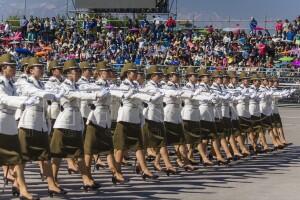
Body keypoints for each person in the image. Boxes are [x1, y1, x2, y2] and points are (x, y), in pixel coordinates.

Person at [50, 59, 102, 191]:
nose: (79, 72)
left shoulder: (76, 85)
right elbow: (76, 94)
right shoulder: (64, 86)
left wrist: (101, 89)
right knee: (57, 154)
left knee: (79, 154)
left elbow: (86, 88)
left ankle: (86, 180)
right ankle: (54, 181)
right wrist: (95, 95)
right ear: (68, 73)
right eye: (76, 70)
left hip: (75, 123)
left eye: (79, 70)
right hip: (64, 123)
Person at [17, 57, 66, 198]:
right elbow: (38, 93)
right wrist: (53, 95)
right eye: (38, 67)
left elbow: (46, 97)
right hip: (28, 124)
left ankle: (51, 185)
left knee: (45, 157)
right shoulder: (24, 82)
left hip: (41, 124)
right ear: (31, 70)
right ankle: (21, 187)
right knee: (22, 159)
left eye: (42, 67)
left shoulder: (41, 84)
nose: (42, 69)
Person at [0, 54, 39, 200]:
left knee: (17, 159)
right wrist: (24, 102)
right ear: (3, 68)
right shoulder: (1, 83)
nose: (14, 69)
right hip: (1, 122)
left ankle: (23, 189)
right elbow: (4, 99)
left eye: (15, 66)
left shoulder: (11, 83)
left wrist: (28, 99)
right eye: (11, 66)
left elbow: (17, 95)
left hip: (9, 124)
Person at [113, 62, 159, 180]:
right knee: (120, 147)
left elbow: (140, 96)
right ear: (128, 73)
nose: (137, 74)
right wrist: (146, 96)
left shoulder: (135, 85)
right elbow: (129, 96)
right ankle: (117, 172)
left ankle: (145, 170)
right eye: (135, 72)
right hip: (125, 118)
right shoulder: (124, 85)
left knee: (139, 146)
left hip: (135, 118)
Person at [83, 61, 126, 184]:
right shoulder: (95, 85)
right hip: (95, 119)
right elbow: (89, 97)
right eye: (107, 71)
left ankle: (115, 172)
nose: (109, 73)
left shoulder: (108, 85)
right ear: (100, 73)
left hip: (105, 119)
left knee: (108, 148)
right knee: (89, 150)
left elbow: (116, 91)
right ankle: (88, 176)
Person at [142, 65, 177, 175]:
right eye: (158, 75)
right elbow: (154, 98)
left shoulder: (158, 86)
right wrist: (162, 92)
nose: (161, 77)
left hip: (159, 116)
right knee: (156, 143)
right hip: (151, 117)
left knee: (160, 142)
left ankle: (157, 164)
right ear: (152, 76)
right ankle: (167, 165)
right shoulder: (149, 87)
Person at [162, 66, 194, 170]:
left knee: (181, 140)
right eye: (176, 75)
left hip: (176, 115)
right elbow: (174, 94)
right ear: (170, 77)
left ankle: (185, 161)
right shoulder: (167, 87)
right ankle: (158, 162)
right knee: (164, 143)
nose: (178, 77)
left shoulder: (177, 86)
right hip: (169, 115)